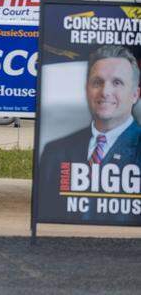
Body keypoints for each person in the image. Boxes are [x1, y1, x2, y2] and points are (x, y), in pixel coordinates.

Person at [37, 46, 141, 223]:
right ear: (87, 90)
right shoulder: (55, 152)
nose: (105, 92)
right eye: (97, 82)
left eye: (117, 82)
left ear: (135, 94)